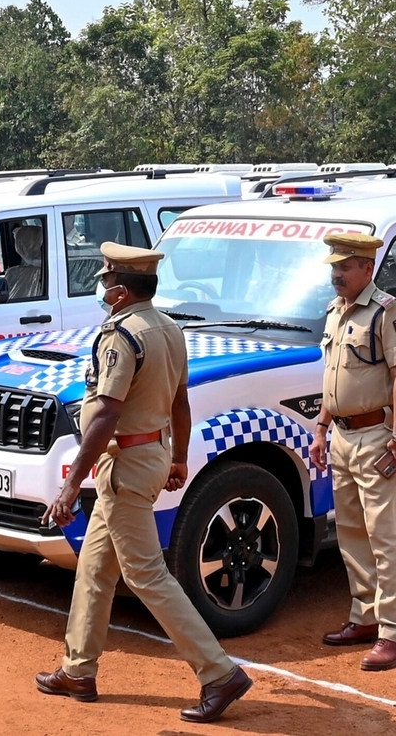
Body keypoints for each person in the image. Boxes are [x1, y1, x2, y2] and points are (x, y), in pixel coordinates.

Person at [37, 242, 252, 724]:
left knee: (146, 574)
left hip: (127, 463)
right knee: (94, 568)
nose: (101, 287)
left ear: (118, 290)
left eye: (105, 280)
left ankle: (219, 673)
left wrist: (71, 484)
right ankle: (78, 669)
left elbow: (107, 413)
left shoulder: (122, 336)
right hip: (149, 454)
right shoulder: (169, 328)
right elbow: (180, 401)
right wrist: (177, 456)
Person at [308, 232, 396, 672]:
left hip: (375, 437)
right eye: (334, 267)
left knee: (383, 537)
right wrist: (321, 427)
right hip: (342, 438)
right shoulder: (336, 313)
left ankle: (393, 633)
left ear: (367, 269)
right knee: (351, 533)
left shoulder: (387, 312)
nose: (336, 274)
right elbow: (333, 377)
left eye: (345, 267)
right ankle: (365, 617)